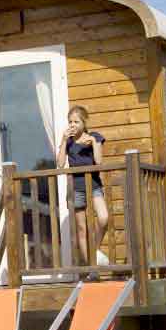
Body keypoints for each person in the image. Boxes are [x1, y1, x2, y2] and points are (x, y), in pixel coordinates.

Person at [57, 105, 110, 267]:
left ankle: (93, 251)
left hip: (93, 186)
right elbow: (60, 164)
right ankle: (91, 268)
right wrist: (64, 140)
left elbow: (99, 162)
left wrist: (93, 143)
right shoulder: (69, 141)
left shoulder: (95, 137)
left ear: (84, 122)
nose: (72, 124)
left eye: (76, 121)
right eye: (70, 121)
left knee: (103, 218)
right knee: (81, 229)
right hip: (76, 188)